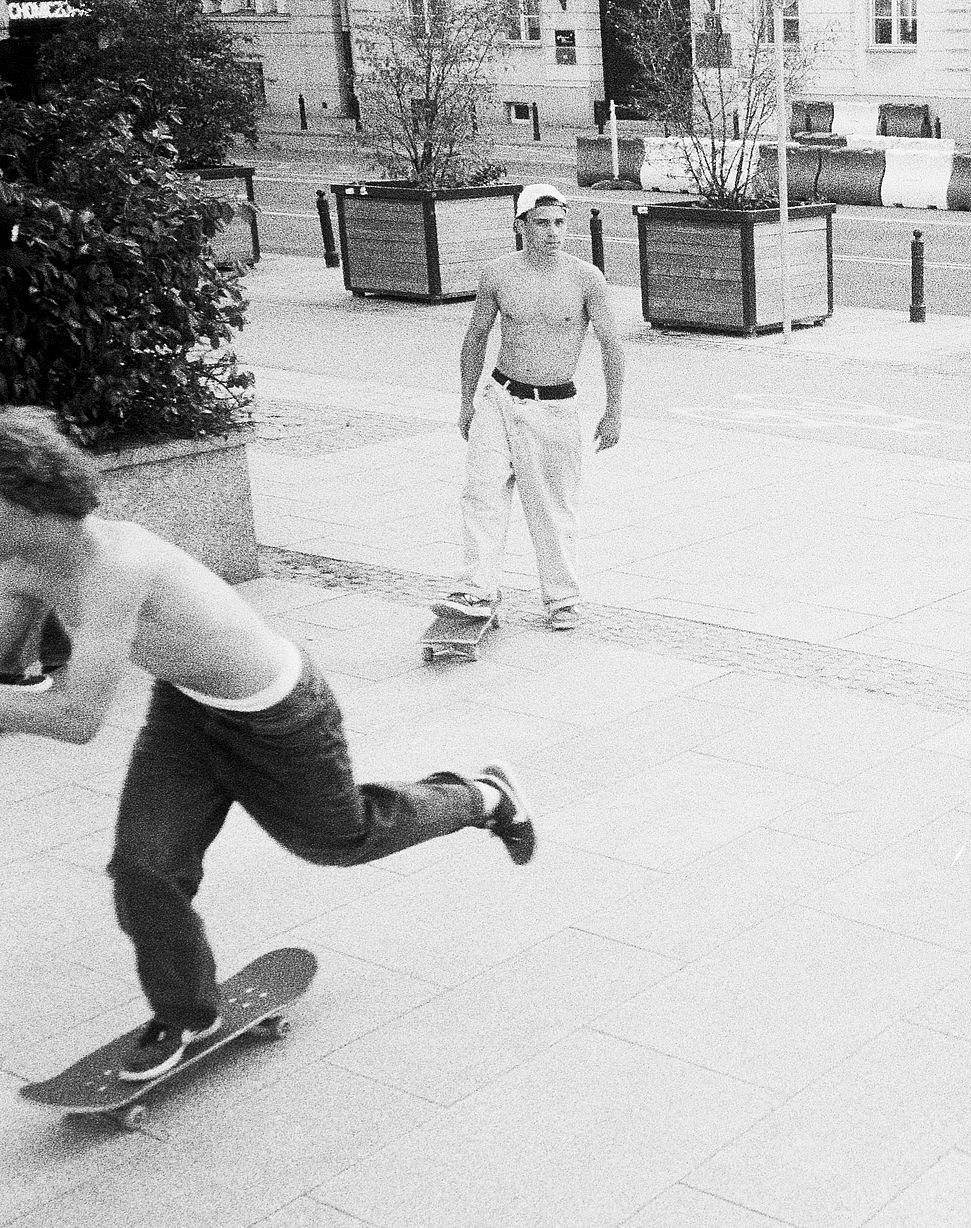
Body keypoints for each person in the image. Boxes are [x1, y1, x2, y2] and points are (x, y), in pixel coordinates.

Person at [0, 407, 538, 1081]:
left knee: (341, 840)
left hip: (280, 714)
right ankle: (189, 1014)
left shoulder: (114, 566)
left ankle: (482, 798)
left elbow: (77, 717)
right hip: (187, 714)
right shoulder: (23, 564)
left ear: (22, 502)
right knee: (144, 868)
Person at [438, 184, 625, 632]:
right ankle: (477, 590)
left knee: (553, 508)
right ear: (521, 226)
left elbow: (612, 346)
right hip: (500, 399)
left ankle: (562, 599)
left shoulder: (586, 278)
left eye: (560, 222)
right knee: (481, 492)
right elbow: (476, 337)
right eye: (542, 223)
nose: (553, 232)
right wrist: (467, 402)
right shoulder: (499, 274)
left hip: (556, 407)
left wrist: (614, 410)